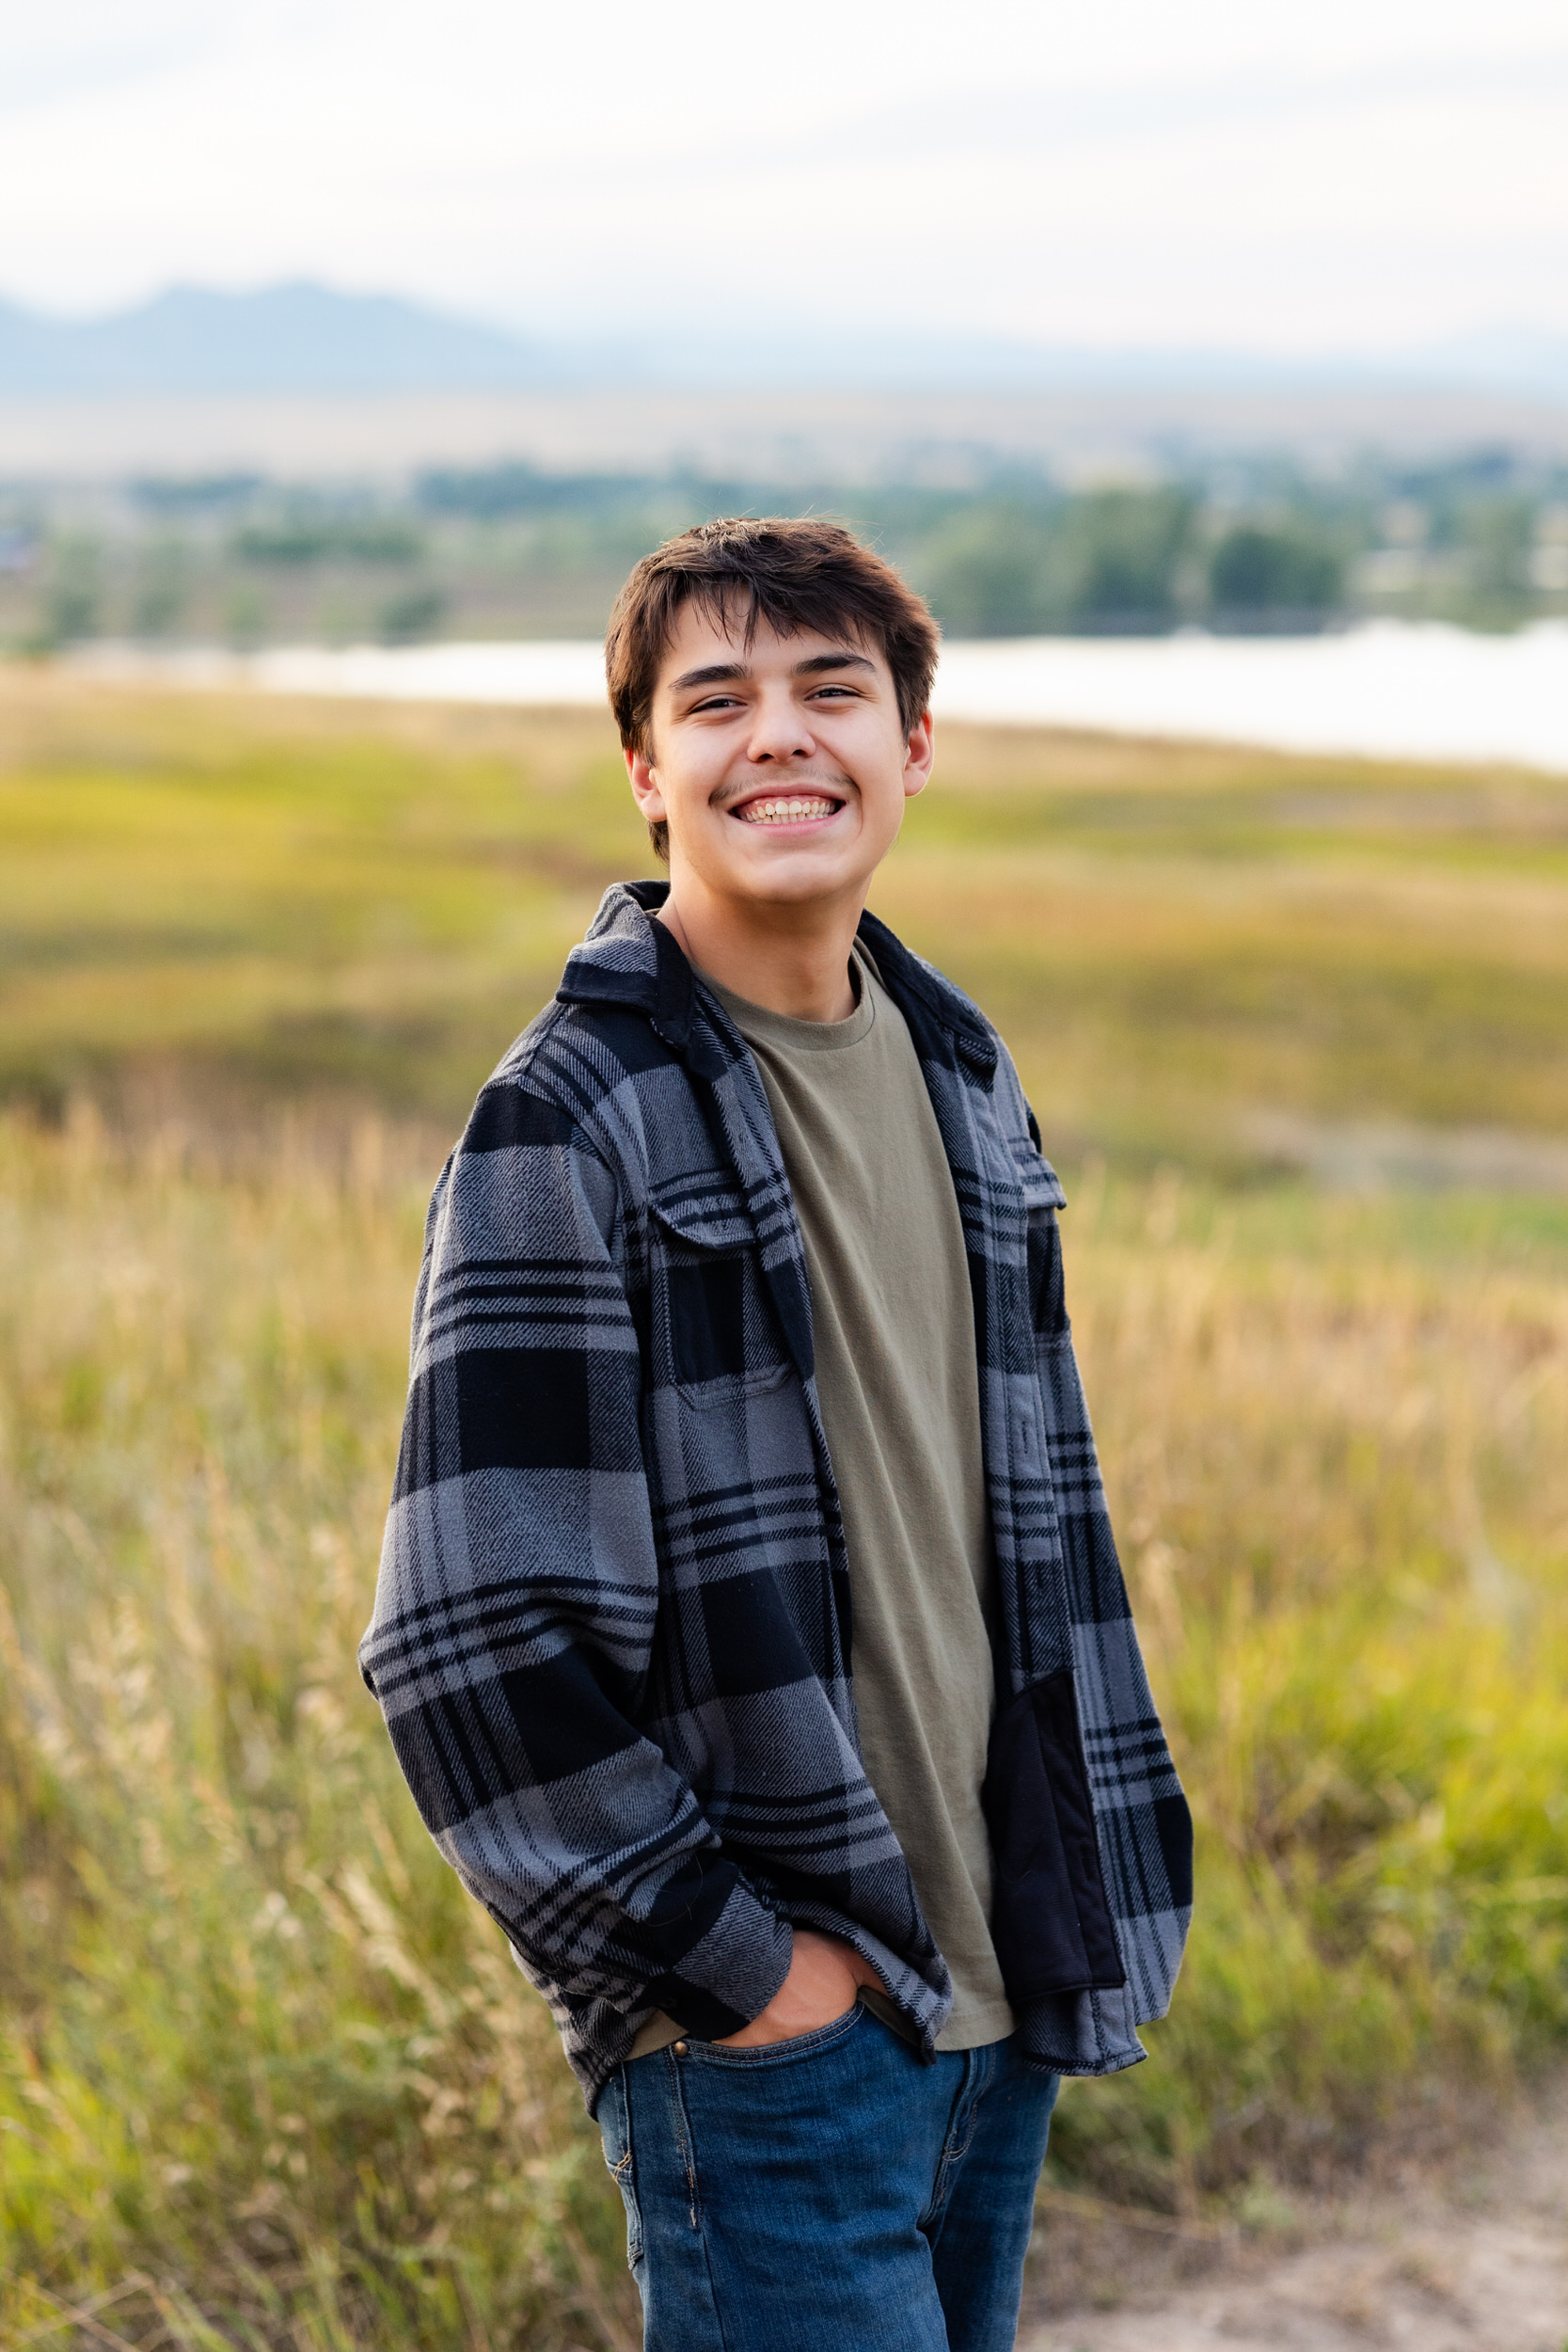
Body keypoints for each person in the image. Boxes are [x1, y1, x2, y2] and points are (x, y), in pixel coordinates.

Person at [360, 516, 1192, 2352]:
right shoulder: (569, 1121)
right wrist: (752, 1977)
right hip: (778, 2039)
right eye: (716, 699)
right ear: (650, 771)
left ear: (915, 743)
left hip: (996, 1993)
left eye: (835, 689)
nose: (782, 736)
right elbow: (466, 1641)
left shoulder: (960, 1068)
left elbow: (1035, 1525)